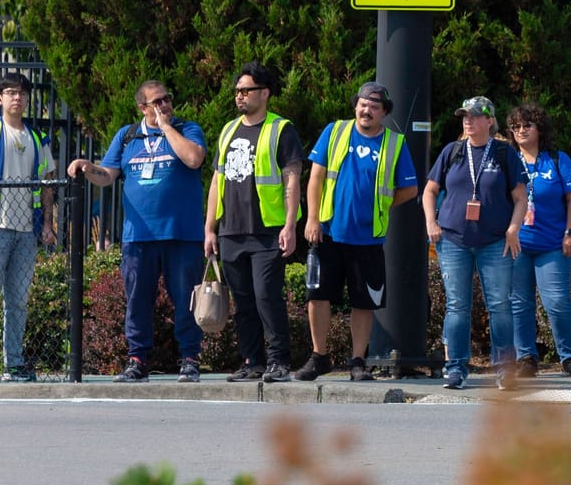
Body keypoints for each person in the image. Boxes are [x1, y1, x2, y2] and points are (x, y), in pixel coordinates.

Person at [68, 80, 207, 382]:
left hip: (181, 233)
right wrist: (86, 167)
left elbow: (194, 159)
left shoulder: (187, 129)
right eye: (157, 102)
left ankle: (190, 359)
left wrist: (166, 128)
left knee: (185, 298)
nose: (164, 105)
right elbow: (107, 176)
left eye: (167, 99)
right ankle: (137, 360)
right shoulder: (127, 136)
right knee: (137, 300)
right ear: (142, 108)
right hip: (138, 236)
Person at [301, 82, 419, 383]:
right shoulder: (335, 131)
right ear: (356, 106)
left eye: (374, 107)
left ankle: (357, 361)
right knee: (317, 296)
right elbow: (314, 177)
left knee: (364, 302)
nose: (366, 110)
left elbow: (410, 188)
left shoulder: (395, 143)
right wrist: (312, 219)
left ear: (384, 113)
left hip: (367, 237)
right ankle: (319, 356)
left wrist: (381, 204)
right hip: (327, 231)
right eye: (362, 104)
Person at [206, 63, 303, 384]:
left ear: (265, 93)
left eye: (246, 91)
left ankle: (279, 362)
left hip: (266, 231)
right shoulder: (228, 129)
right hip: (231, 230)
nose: (239, 97)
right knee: (243, 302)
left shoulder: (281, 129)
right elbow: (217, 181)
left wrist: (290, 225)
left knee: (266, 297)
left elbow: (292, 179)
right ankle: (252, 361)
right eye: (237, 91)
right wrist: (210, 227)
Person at [424, 96, 528, 390]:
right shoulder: (452, 151)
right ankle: (455, 368)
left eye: (474, 116)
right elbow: (430, 190)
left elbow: (521, 198)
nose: (468, 121)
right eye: (464, 116)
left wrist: (513, 228)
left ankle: (504, 368)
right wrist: (431, 222)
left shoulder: (504, 153)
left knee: (499, 306)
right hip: (454, 240)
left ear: (489, 120)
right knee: (457, 305)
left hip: (495, 242)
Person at [0, 72, 56, 382]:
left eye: (22, 93)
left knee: (18, 300)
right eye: (11, 93)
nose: (17, 98)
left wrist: (48, 223)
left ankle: (13, 363)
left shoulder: (38, 138)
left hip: (25, 231)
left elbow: (47, 184)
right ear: (0, 98)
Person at [506, 102, 571, 377]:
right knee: (519, 302)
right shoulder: (508, 159)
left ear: (540, 128)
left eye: (527, 124)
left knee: (557, 301)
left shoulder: (556, 159)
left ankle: (570, 356)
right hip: (517, 244)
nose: (521, 130)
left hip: (553, 243)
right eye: (516, 126)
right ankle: (526, 358)